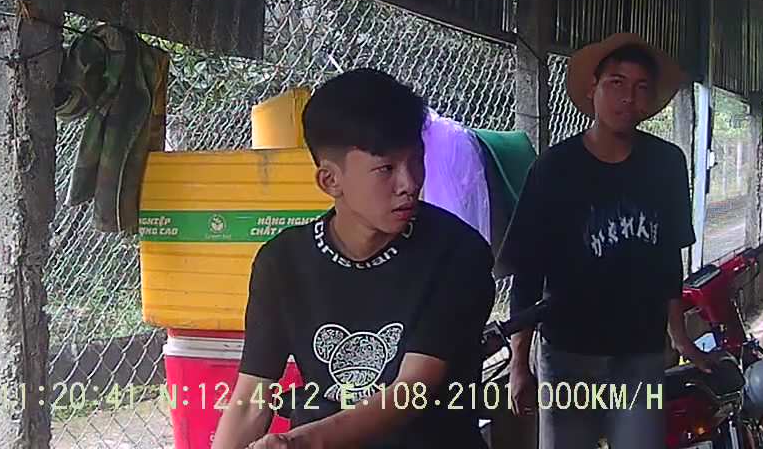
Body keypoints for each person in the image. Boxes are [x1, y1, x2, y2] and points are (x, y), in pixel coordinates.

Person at [212, 68, 497, 449]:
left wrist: (299, 443)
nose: (410, 183)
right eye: (386, 169)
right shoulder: (282, 263)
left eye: (416, 160)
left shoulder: (458, 253)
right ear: (330, 180)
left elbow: (411, 390)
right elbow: (251, 399)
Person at [498, 33, 717, 449]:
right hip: (569, 352)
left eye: (640, 87)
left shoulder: (666, 164)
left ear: (649, 100)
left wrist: (679, 335)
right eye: (616, 83)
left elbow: (668, 259)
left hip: (640, 351)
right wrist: (518, 362)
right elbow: (528, 269)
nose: (627, 97)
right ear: (592, 90)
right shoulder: (555, 168)